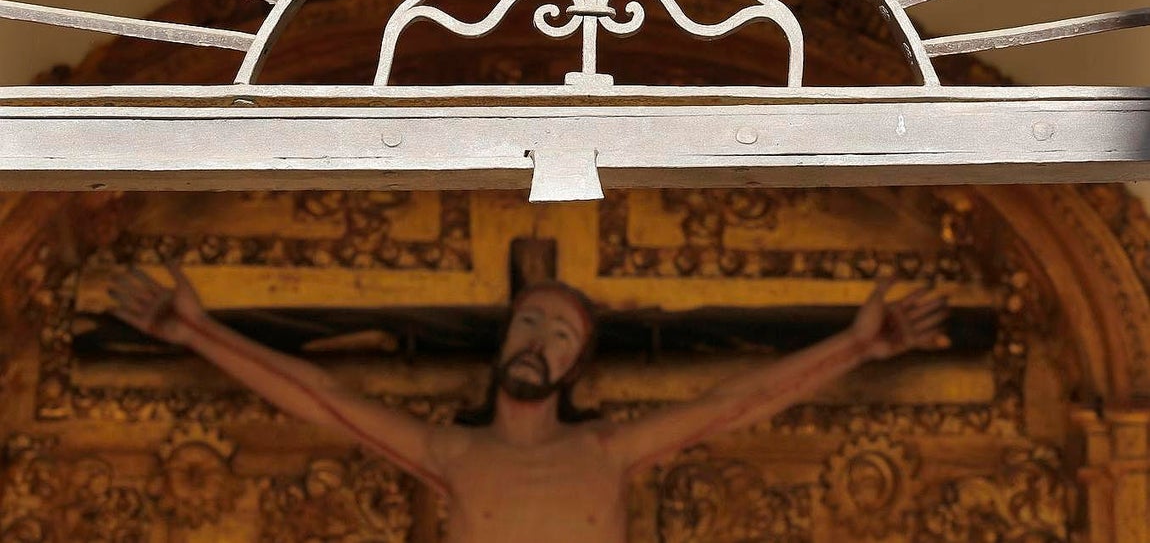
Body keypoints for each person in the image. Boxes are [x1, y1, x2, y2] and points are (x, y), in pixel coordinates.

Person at [110, 265, 949, 543]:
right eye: (530, 322)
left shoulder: (605, 452)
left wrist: (859, 347)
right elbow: (322, 399)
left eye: (561, 334)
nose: (540, 340)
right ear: (504, 338)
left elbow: (736, 402)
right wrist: (195, 331)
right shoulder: (455, 454)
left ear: (575, 366)